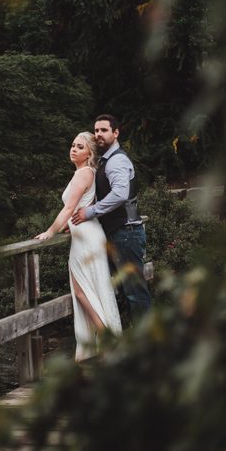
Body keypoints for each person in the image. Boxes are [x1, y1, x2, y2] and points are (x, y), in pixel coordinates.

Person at [35, 132, 122, 362]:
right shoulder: (88, 172)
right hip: (86, 233)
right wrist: (68, 226)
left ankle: (107, 339)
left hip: (86, 238)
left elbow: (68, 208)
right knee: (90, 289)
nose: (73, 149)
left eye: (80, 146)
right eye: (73, 145)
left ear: (89, 152)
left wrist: (50, 231)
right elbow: (82, 206)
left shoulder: (83, 174)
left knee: (82, 290)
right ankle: (103, 342)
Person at [71, 114, 152, 323]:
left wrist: (90, 212)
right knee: (122, 290)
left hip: (126, 233)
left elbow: (120, 194)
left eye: (104, 130)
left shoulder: (117, 160)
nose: (98, 134)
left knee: (135, 291)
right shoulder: (104, 161)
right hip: (118, 233)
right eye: (96, 130)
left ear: (115, 133)